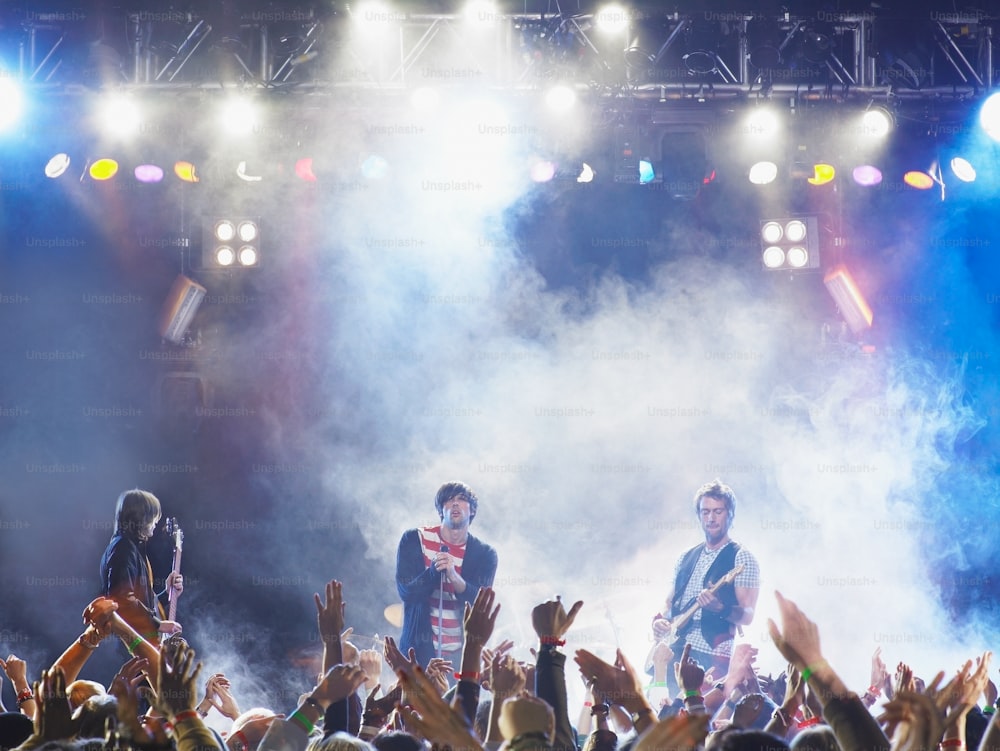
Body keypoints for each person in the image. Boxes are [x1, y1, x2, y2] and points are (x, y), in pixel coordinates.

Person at [650, 479, 760, 692]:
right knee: (661, 712)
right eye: (705, 512)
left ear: (730, 514)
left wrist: (720, 608)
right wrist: (662, 621)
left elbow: (747, 615)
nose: (711, 518)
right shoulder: (686, 557)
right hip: (673, 651)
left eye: (718, 511)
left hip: (711, 657)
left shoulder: (741, 557)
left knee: (695, 720)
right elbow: (670, 602)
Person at [394, 482, 498, 670]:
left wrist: (453, 576)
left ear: (472, 510)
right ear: (441, 509)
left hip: (460, 656)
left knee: (456, 700)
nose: (455, 504)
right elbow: (406, 592)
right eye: (449, 500)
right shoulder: (414, 539)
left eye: (462, 499)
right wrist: (434, 571)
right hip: (417, 654)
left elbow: (480, 601)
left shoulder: (485, 553)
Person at [99, 489, 184, 644]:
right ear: (142, 518)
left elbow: (141, 604)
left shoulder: (131, 549)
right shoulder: (123, 548)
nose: (156, 523)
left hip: (138, 642)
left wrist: (167, 593)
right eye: (153, 518)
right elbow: (122, 600)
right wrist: (158, 625)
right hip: (132, 645)